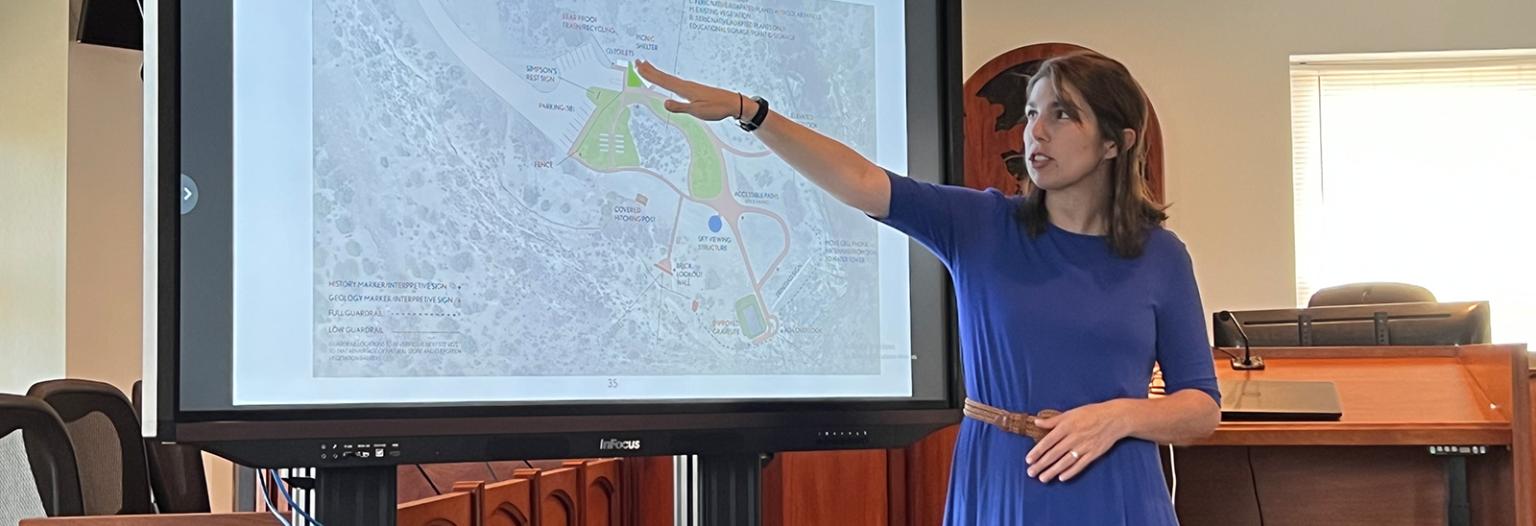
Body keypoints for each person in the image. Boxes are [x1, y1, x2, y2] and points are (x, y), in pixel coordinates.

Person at [636, 51, 1220, 525]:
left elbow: (1201, 408)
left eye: (1063, 114)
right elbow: (862, 180)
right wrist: (752, 112)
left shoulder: (1161, 256)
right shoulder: (980, 226)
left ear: (1116, 142)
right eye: (1031, 112)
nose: (1035, 130)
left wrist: (1119, 417)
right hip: (998, 481)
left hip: (1118, 494)